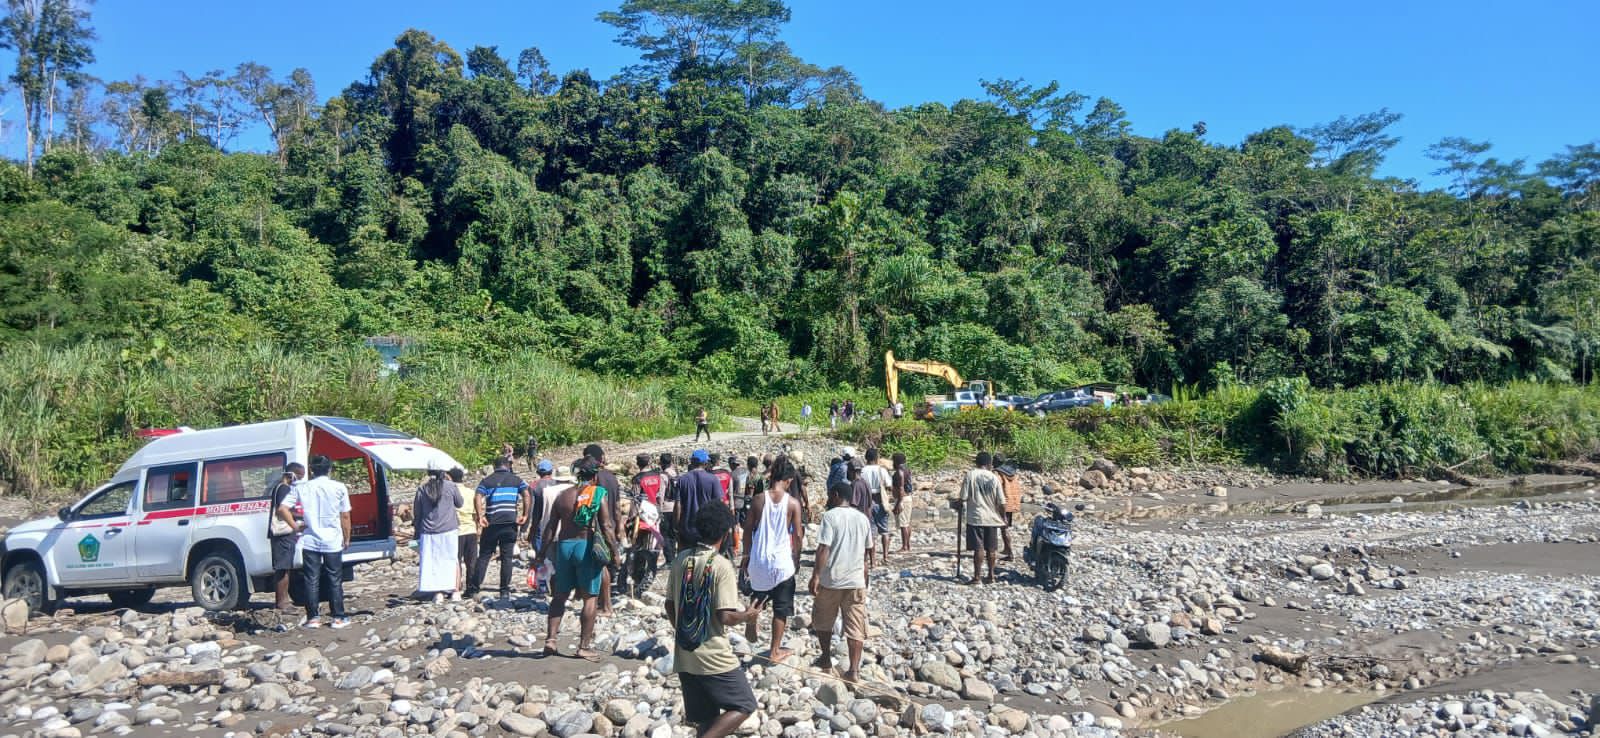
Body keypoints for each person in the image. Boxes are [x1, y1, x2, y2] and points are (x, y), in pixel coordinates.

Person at [667, 502, 764, 738]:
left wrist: (685, 630)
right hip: (713, 655)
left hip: (685, 653)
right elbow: (725, 616)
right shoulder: (721, 566)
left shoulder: (681, 559)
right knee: (744, 704)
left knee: (706, 718)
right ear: (726, 533)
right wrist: (748, 616)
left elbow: (669, 605)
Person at [538, 459, 620, 661]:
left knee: (560, 595)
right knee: (590, 597)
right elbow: (607, 526)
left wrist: (541, 553)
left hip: (564, 546)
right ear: (594, 476)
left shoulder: (563, 496)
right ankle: (584, 647)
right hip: (585, 546)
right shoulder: (597, 494)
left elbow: (550, 527)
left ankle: (551, 640)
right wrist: (614, 552)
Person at [277, 455, 351, 629]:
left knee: (311, 579)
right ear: (329, 469)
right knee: (334, 578)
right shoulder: (339, 487)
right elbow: (345, 515)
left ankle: (313, 618)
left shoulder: (301, 487)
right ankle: (338, 617)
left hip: (310, 539)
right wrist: (347, 537)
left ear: (311, 470)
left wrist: (295, 526)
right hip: (332, 539)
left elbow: (282, 509)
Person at [741, 455, 802, 662]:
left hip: (759, 558)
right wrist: (797, 558)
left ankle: (752, 616)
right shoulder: (792, 503)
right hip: (782, 562)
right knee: (781, 608)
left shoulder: (759, 499)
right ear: (788, 480)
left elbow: (747, 530)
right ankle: (775, 650)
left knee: (759, 594)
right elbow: (798, 535)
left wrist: (746, 555)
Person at [811, 481, 871, 682]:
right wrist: (865, 577)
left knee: (823, 620)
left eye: (830, 495)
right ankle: (853, 670)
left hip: (832, 580)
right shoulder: (862, 518)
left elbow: (824, 548)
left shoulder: (830, 516)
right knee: (855, 626)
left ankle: (826, 658)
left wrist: (816, 575)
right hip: (856, 580)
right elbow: (867, 551)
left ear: (836, 495)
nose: (828, 499)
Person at [470, 456, 530, 599]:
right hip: (510, 522)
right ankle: (504, 590)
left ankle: (474, 588)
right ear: (507, 465)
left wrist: (480, 516)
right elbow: (526, 495)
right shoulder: (516, 480)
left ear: (494, 466)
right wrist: (525, 514)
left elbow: (477, 496)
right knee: (507, 557)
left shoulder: (487, 481)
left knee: (484, 555)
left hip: (492, 523)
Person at [414, 462, 464, 603]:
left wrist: (416, 531)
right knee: (452, 560)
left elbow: (417, 513)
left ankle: (438, 593)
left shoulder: (422, 489)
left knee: (434, 561)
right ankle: (455, 591)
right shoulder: (450, 486)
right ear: (443, 472)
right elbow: (460, 503)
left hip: (428, 531)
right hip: (449, 529)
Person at [584, 444, 625, 614]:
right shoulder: (612, 477)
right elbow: (617, 506)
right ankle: (604, 601)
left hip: (598, 526)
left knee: (600, 566)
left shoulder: (593, 478)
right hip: (611, 524)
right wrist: (619, 527)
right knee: (607, 564)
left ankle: (604, 604)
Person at [958, 452, 1005, 585]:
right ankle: (991, 576)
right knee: (991, 549)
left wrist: (959, 504)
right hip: (992, 517)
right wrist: (1003, 517)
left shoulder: (970, 475)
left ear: (976, 463)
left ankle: (977, 577)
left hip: (976, 517)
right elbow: (1002, 502)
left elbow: (963, 497)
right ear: (989, 464)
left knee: (978, 548)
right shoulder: (994, 477)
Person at [268, 462, 306, 612]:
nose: (299, 480)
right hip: (283, 533)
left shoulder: (278, 487)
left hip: (283, 533)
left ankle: (283, 601)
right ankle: (282, 602)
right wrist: (301, 516)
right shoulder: (284, 489)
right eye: (299, 476)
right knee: (283, 567)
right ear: (291, 474)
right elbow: (282, 510)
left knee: (284, 567)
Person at [673, 450, 723, 547]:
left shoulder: (682, 480)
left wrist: (677, 526)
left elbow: (678, 505)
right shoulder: (713, 479)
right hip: (707, 528)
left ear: (692, 462)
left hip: (687, 528)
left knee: (686, 555)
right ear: (705, 463)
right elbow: (719, 504)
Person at [859, 448, 894, 565]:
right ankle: (885, 556)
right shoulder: (881, 470)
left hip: (867, 503)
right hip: (880, 502)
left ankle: (872, 561)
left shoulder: (862, 471)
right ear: (877, 458)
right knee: (884, 531)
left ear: (866, 458)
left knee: (871, 533)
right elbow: (889, 485)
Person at [451, 467, 479, 597]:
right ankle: (471, 588)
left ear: (450, 477)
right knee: (471, 561)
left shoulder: (450, 492)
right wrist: (478, 528)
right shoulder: (471, 492)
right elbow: (476, 512)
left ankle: (456, 586)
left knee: (456, 561)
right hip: (471, 529)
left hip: (456, 531)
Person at [993, 452, 1024, 562]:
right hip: (1011, 503)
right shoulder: (1012, 473)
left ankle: (1009, 553)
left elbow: (996, 488)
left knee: (1002, 528)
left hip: (1003, 504)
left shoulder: (998, 473)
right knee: (1004, 528)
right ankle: (1006, 549)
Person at [891, 453, 914, 553]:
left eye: (893, 461)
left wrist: (898, 504)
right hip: (908, 497)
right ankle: (907, 545)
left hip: (902, 499)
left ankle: (904, 547)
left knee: (903, 524)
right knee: (907, 523)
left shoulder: (899, 472)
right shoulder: (907, 469)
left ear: (896, 461)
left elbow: (900, 489)